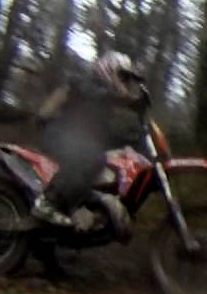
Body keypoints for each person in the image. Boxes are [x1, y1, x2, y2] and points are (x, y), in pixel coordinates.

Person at [31, 52, 146, 230]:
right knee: (92, 158)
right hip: (58, 134)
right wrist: (123, 96)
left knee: (106, 160)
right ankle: (47, 203)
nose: (125, 83)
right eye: (122, 76)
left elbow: (106, 134)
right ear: (109, 70)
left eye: (127, 79)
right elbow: (94, 94)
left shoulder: (104, 103)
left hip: (74, 139)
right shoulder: (83, 83)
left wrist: (132, 140)